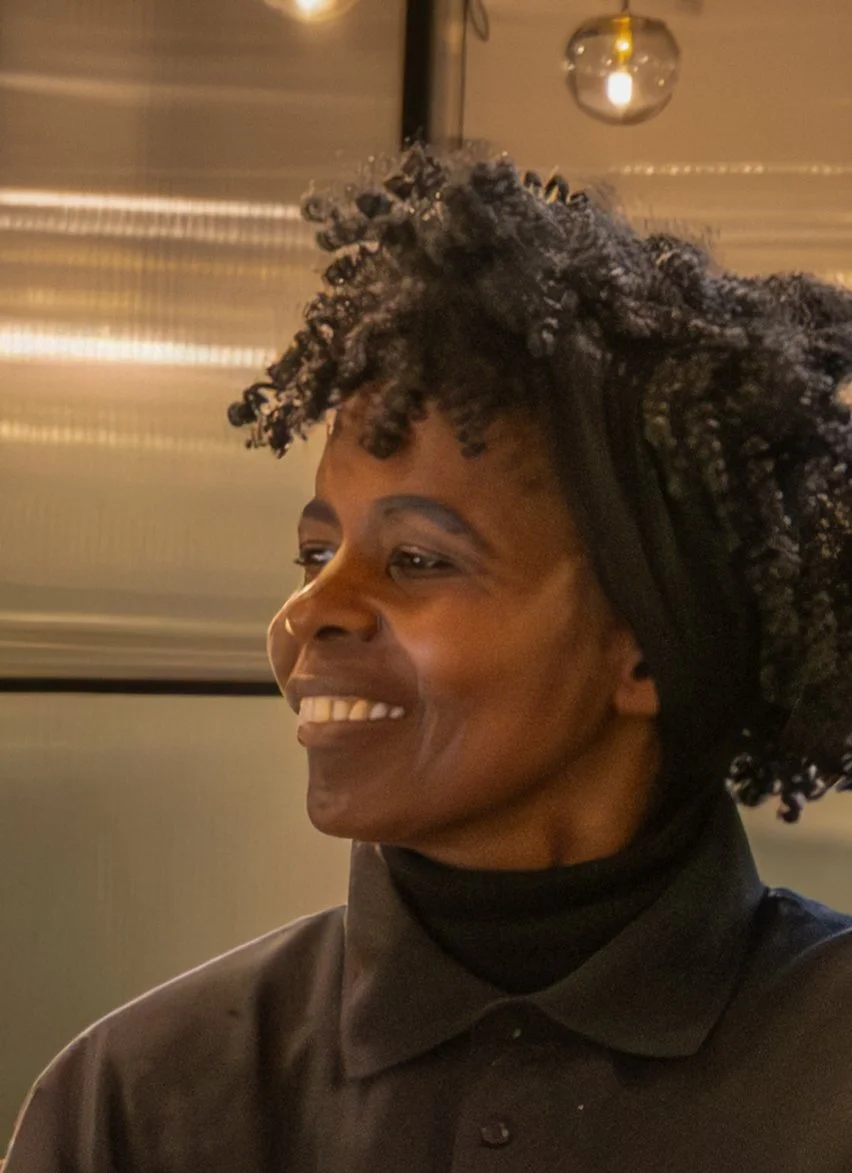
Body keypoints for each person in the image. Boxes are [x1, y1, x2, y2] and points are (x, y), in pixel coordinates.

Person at [5, 145, 852, 1172]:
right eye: (317, 552)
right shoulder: (136, 1101)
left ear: (646, 649)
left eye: (415, 558)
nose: (310, 611)